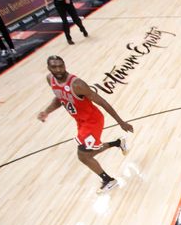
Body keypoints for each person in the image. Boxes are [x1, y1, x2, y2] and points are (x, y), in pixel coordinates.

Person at [37, 55, 133, 193]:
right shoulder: (50, 79)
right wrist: (47, 111)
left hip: (92, 121)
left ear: (65, 65)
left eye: (60, 66)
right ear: (49, 68)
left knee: (83, 155)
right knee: (89, 152)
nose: (58, 69)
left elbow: (102, 102)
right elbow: (59, 98)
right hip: (80, 121)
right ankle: (118, 143)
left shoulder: (77, 85)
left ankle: (109, 181)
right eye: (54, 66)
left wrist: (121, 122)